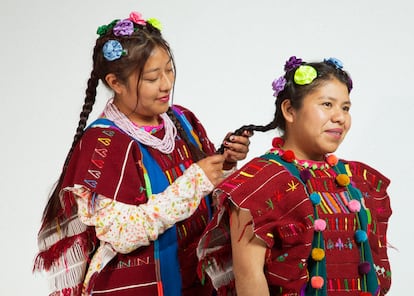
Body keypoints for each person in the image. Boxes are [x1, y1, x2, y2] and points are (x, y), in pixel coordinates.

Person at [33, 11, 252, 296]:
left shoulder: (181, 120)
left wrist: (226, 162)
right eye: (152, 77)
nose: (166, 84)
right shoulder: (102, 142)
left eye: (169, 70)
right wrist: (196, 181)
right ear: (115, 83)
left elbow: (207, 194)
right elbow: (121, 233)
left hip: (195, 281)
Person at [197, 56, 392, 295]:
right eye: (327, 104)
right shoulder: (259, 183)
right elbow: (249, 277)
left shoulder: (355, 178)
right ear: (289, 110)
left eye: (345, 108)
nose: (340, 117)